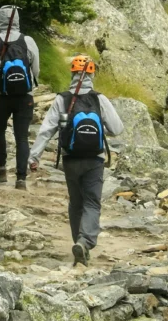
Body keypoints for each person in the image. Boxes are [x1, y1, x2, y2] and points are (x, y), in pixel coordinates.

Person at [28, 55, 124, 266]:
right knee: (92, 202)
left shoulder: (62, 99)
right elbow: (117, 129)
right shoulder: (99, 99)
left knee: (76, 203)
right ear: (91, 74)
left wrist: (34, 156)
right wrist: (100, 132)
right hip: (94, 159)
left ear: (72, 74)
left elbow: (46, 130)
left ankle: (78, 243)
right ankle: (85, 241)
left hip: (70, 159)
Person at [0, 5, 40, 190]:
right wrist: (30, 88)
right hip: (24, 96)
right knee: (22, 137)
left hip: (1, 96)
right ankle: (21, 179)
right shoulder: (28, 41)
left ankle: (1, 171)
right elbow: (36, 69)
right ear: (17, 21)